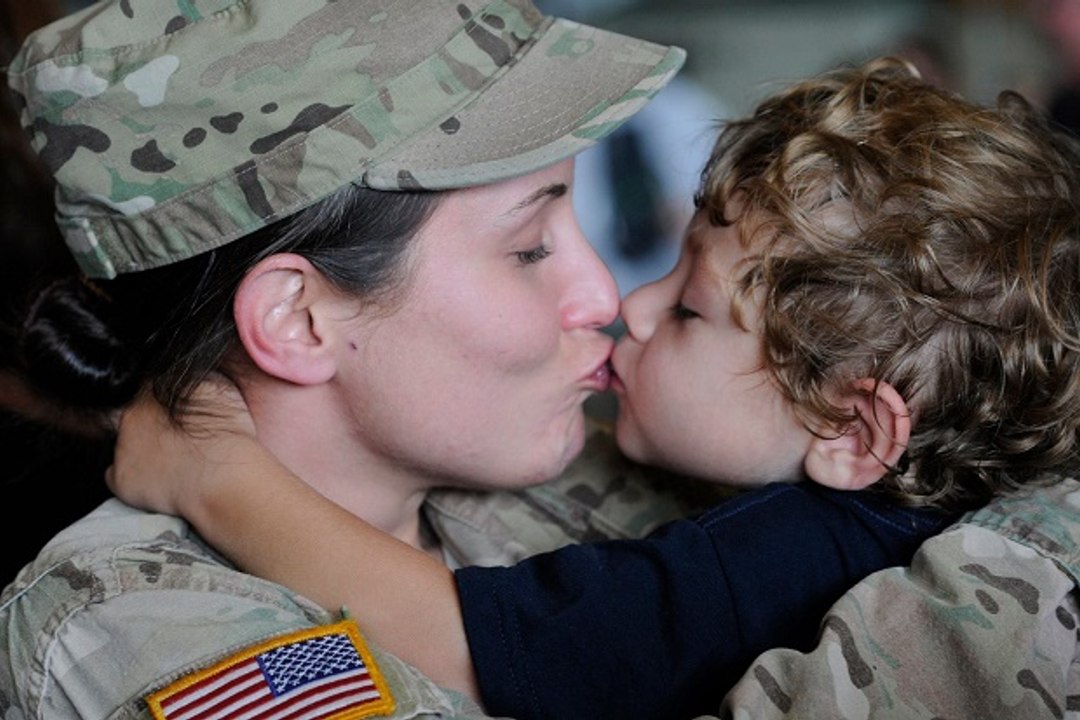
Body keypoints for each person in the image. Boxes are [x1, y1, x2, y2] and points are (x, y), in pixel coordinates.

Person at [109, 56, 1080, 719]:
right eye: (530, 246)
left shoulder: (769, 558)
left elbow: (476, 645)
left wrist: (216, 476)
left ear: (855, 428)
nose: (626, 303)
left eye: (691, 310)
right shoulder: (932, 503)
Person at [0, 0, 691, 718]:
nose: (604, 296)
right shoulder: (146, 623)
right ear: (296, 320)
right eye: (529, 250)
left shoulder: (563, 485)